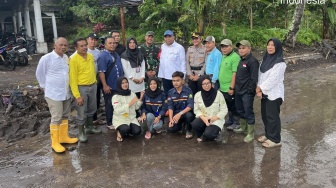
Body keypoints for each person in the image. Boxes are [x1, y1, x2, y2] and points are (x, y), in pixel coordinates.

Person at [36, 37, 78, 153]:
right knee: (56, 117)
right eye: (61, 45)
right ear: (55, 45)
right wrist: (45, 87)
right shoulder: (47, 58)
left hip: (65, 93)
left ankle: (63, 137)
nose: (63, 47)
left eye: (65, 45)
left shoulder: (65, 58)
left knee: (65, 115)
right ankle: (55, 142)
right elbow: (40, 74)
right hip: (53, 94)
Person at [69, 38, 101, 143]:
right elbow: (72, 79)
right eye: (81, 46)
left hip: (92, 85)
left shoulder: (90, 56)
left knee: (92, 108)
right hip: (81, 87)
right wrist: (77, 96)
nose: (84, 47)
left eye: (85, 45)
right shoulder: (73, 59)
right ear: (76, 48)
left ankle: (90, 127)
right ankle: (81, 132)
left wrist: (95, 83)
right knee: (81, 111)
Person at [256, 38, 286, 148]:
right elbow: (261, 75)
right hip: (264, 93)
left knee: (272, 117)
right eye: (268, 44)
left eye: (273, 45)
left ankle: (275, 139)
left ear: (277, 47)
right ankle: (269, 134)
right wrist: (259, 88)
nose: (270, 47)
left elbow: (273, 79)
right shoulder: (265, 59)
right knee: (265, 115)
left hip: (274, 93)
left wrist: (260, 88)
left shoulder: (280, 62)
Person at [233, 40, 259, 143]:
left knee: (248, 112)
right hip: (238, 91)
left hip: (246, 92)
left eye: (243, 48)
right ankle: (243, 128)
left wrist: (249, 91)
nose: (241, 50)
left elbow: (254, 78)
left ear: (249, 49)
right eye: (239, 48)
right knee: (240, 110)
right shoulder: (241, 60)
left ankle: (250, 133)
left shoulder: (252, 61)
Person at [98, 36, 124, 130]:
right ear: (105, 44)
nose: (112, 45)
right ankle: (109, 122)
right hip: (110, 85)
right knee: (109, 104)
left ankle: (117, 120)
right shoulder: (103, 56)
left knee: (118, 103)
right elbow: (101, 71)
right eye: (110, 43)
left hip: (118, 85)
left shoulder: (116, 54)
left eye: (114, 43)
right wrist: (105, 85)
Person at [191, 75, 228, 142]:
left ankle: (213, 133)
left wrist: (214, 118)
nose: (207, 85)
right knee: (195, 124)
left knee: (209, 134)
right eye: (204, 84)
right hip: (204, 117)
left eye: (208, 83)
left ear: (211, 83)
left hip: (216, 119)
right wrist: (204, 118)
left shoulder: (219, 94)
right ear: (200, 85)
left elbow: (224, 109)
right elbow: (196, 110)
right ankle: (203, 133)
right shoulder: (197, 95)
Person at [112, 77, 144, 142]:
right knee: (125, 130)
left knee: (137, 131)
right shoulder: (115, 97)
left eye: (126, 82)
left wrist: (140, 98)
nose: (125, 84)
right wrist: (129, 104)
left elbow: (136, 107)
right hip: (120, 119)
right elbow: (117, 110)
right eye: (122, 83)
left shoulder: (132, 93)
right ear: (119, 85)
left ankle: (128, 130)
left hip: (131, 118)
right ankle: (120, 131)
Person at [218, 39, 241, 130]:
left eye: (226, 46)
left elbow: (234, 73)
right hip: (223, 87)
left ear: (231, 47)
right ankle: (231, 120)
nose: (224, 49)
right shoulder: (223, 56)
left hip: (229, 87)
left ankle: (236, 122)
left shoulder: (235, 57)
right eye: (222, 47)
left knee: (233, 106)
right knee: (228, 105)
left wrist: (232, 87)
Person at [167, 71, 195, 139]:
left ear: (182, 81)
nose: (175, 83)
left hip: (185, 113)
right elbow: (170, 106)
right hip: (176, 114)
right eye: (173, 81)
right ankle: (181, 125)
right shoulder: (170, 92)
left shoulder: (188, 90)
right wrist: (171, 119)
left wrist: (180, 114)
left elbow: (190, 105)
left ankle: (189, 129)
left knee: (189, 116)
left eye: (177, 80)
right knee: (171, 130)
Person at [158, 30, 186, 95]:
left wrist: (183, 77)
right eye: (166, 37)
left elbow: (183, 62)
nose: (168, 38)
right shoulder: (162, 46)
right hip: (164, 76)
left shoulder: (179, 47)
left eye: (169, 36)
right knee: (167, 95)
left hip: (175, 77)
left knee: (177, 95)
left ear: (173, 37)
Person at [86, 33, 103, 125]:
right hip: (86, 80)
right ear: (87, 40)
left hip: (96, 78)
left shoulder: (97, 52)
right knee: (87, 101)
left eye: (95, 40)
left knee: (96, 98)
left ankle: (94, 119)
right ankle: (87, 122)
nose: (93, 41)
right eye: (91, 39)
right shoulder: (84, 51)